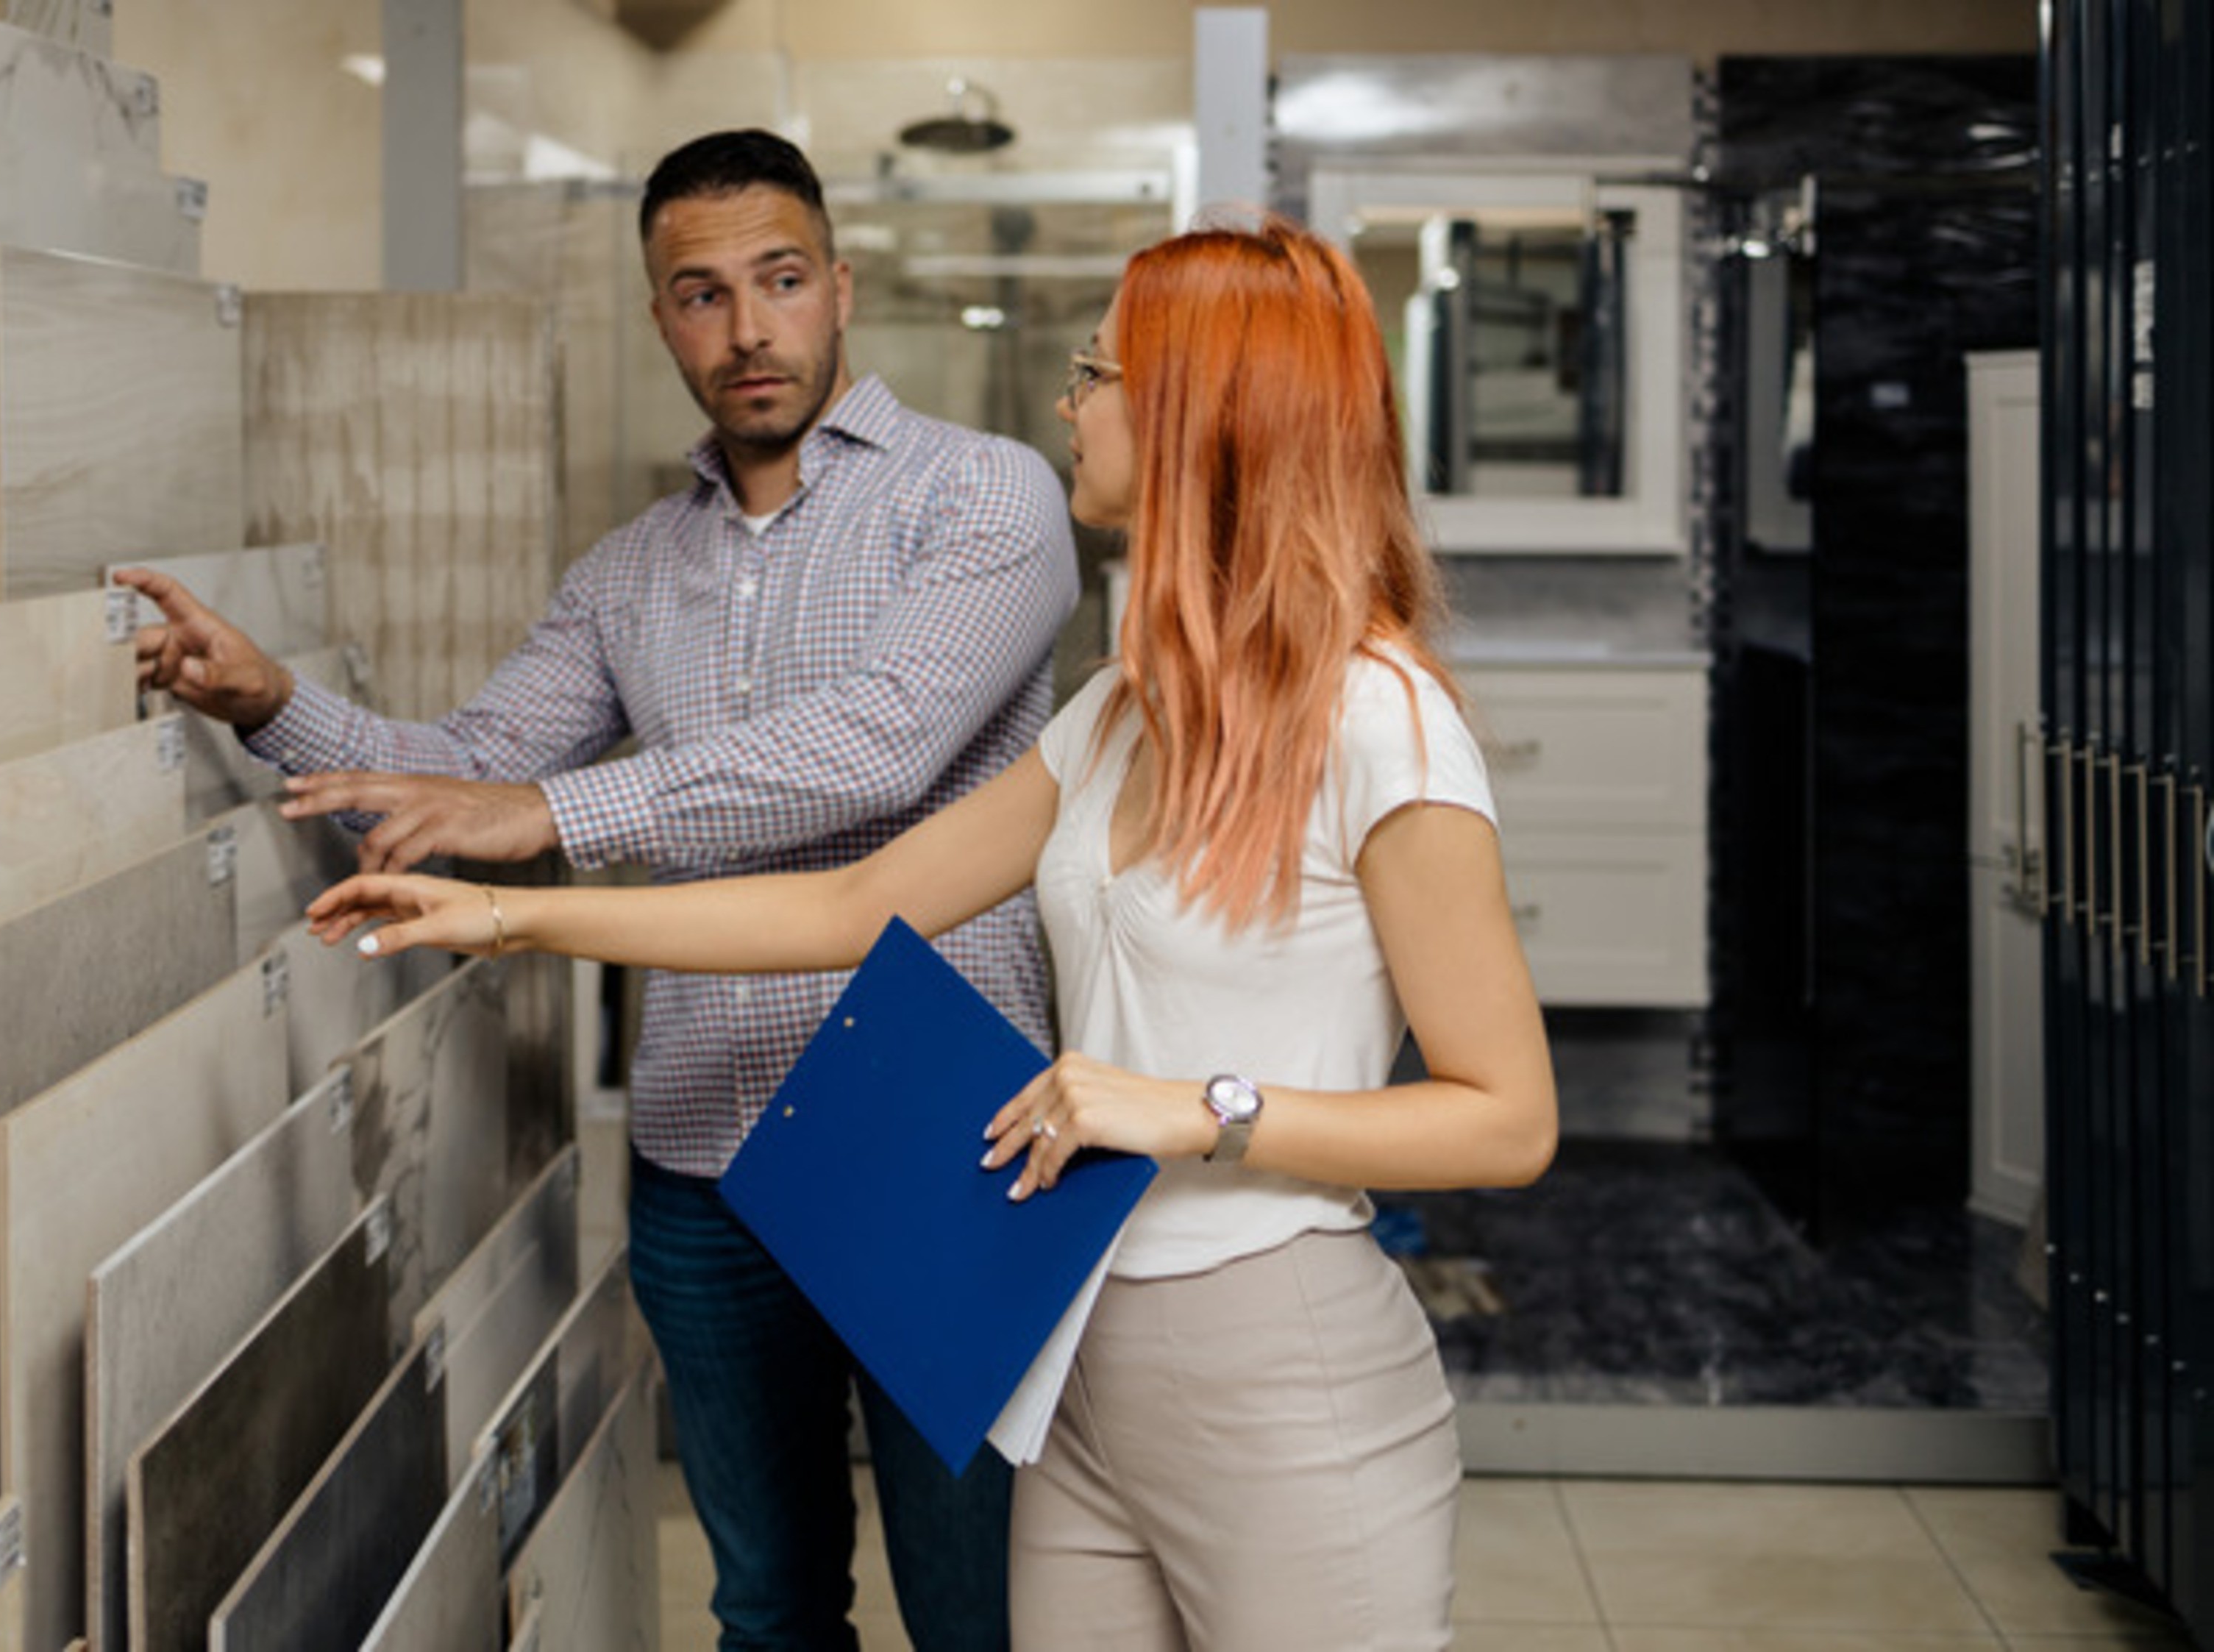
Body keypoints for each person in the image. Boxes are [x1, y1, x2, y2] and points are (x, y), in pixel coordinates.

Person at [301, 213, 1560, 1650]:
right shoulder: (1113, 717)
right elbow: (849, 905)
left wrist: (1188, 1107)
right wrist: (508, 915)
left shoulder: (1380, 722)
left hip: (1277, 1351)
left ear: (1202, 412)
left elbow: (1504, 1117)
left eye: (1097, 372)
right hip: (1076, 1346)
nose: (1065, 403)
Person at [116, 129, 1074, 1651]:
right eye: (699, 295)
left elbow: (872, 754)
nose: (745, 329)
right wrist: (266, 699)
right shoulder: (630, 569)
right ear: (658, 319)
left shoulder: (985, 498)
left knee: (983, 1614)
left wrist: (555, 812)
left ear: (840, 286)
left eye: (776, 282)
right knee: (764, 1604)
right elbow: (472, 765)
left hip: (946, 1136)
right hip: (704, 1155)